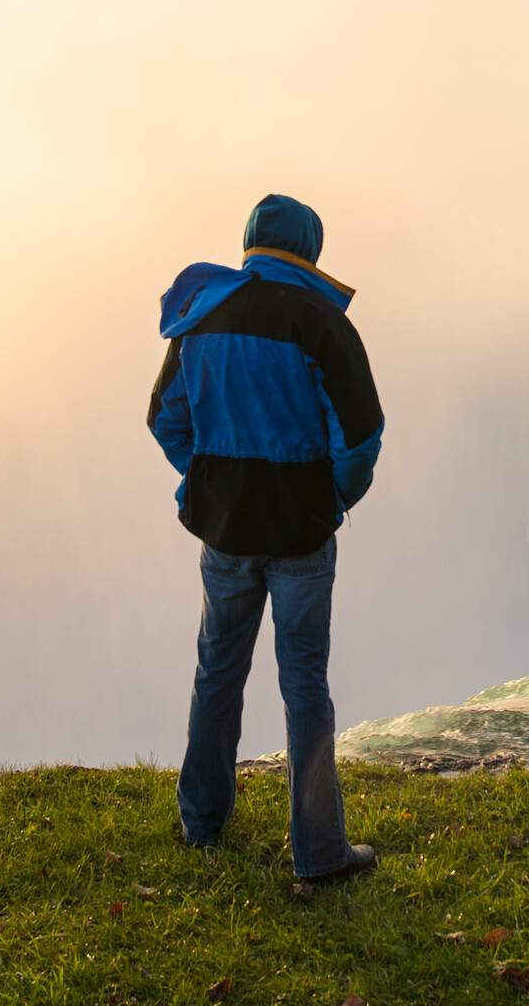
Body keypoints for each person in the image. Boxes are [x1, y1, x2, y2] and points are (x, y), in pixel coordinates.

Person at [147, 194, 384, 882]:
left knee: (217, 671)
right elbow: (361, 437)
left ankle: (202, 825)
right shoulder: (321, 324)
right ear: (308, 250)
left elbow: (166, 419)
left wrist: (211, 474)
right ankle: (319, 854)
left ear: (250, 244)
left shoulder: (203, 316)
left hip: (225, 532)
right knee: (304, 683)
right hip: (302, 536)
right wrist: (333, 495)